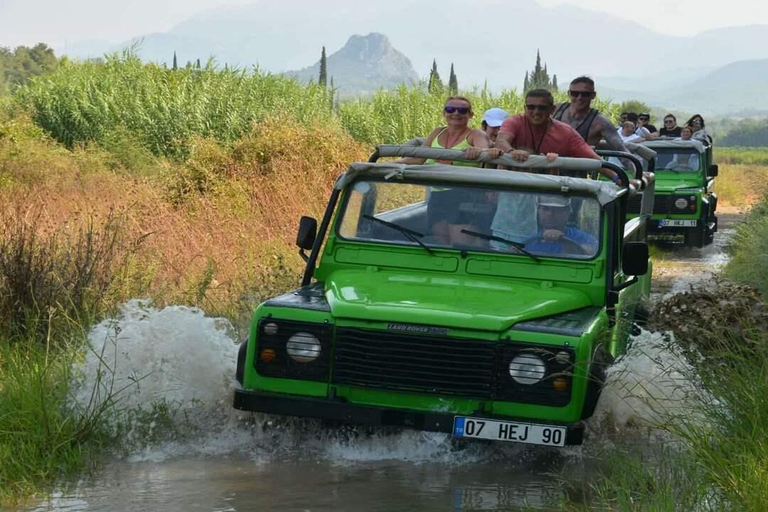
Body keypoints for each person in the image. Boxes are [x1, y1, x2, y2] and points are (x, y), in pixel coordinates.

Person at [490, 89, 621, 245]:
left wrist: (618, 178)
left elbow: (593, 159)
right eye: (531, 107)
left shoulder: (565, 132)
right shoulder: (515, 122)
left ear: (552, 110)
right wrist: (512, 152)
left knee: (554, 244)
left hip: (548, 203)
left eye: (542, 108)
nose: (536, 112)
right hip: (513, 203)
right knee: (505, 245)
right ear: (525, 108)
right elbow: (502, 141)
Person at [552, 76, 631, 153]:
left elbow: (622, 151)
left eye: (585, 94)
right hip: (548, 162)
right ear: (569, 94)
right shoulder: (555, 109)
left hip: (580, 164)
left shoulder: (600, 122)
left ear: (593, 95)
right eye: (575, 93)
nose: (579, 98)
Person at [523, 195, 598, 256]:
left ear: (567, 213)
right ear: (538, 212)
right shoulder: (531, 241)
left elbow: (590, 253)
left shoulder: (582, 237)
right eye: (545, 209)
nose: (550, 214)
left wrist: (564, 241)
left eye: (556, 210)